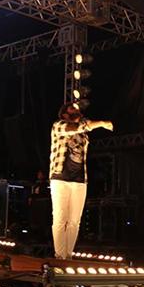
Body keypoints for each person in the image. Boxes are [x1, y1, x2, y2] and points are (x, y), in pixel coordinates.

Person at [49, 104, 113, 259]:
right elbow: (78, 127)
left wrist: (95, 124)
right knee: (60, 219)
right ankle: (59, 256)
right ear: (64, 114)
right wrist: (101, 123)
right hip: (60, 178)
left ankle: (68, 255)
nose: (76, 110)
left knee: (74, 221)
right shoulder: (58, 125)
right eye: (72, 109)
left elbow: (85, 125)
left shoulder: (83, 133)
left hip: (79, 180)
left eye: (77, 109)